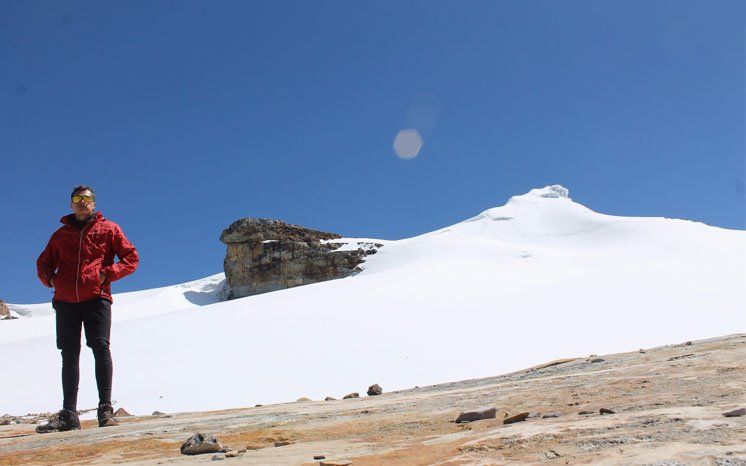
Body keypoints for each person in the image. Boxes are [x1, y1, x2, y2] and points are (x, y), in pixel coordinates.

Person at [35, 186, 139, 433]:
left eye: (87, 199)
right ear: (71, 204)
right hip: (65, 300)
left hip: (97, 297)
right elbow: (43, 262)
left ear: (94, 203)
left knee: (100, 347)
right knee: (69, 353)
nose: (83, 202)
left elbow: (131, 258)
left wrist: (107, 274)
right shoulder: (60, 235)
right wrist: (51, 280)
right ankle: (69, 414)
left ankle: (105, 410)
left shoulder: (109, 229)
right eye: (77, 199)